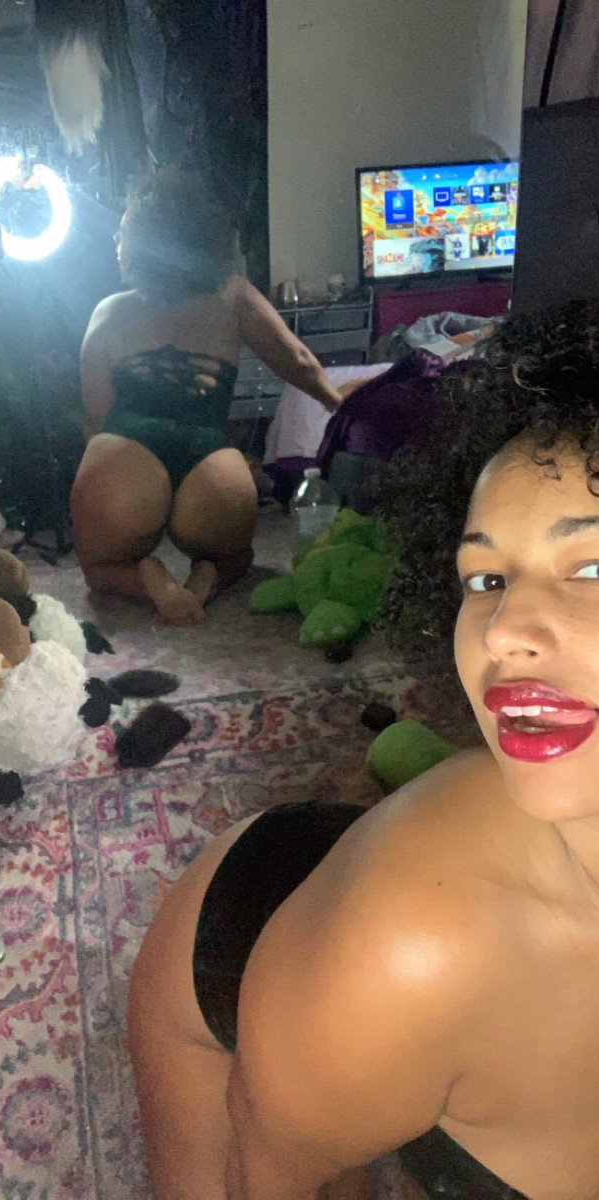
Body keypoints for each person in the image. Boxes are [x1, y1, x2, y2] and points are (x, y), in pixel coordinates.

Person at [128, 298, 599, 1200]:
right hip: (247, 957)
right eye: (485, 577)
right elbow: (267, 1174)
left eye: (590, 567)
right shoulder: (407, 953)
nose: (502, 629)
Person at [70, 168, 349, 625]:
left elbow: (95, 417)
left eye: (123, 230)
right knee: (237, 558)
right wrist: (339, 403)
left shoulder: (107, 313)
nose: (117, 238)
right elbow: (297, 361)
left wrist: (105, 482)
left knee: (99, 568)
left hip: (125, 453)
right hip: (211, 466)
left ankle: (147, 580)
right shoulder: (232, 296)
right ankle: (207, 577)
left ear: (140, 246)